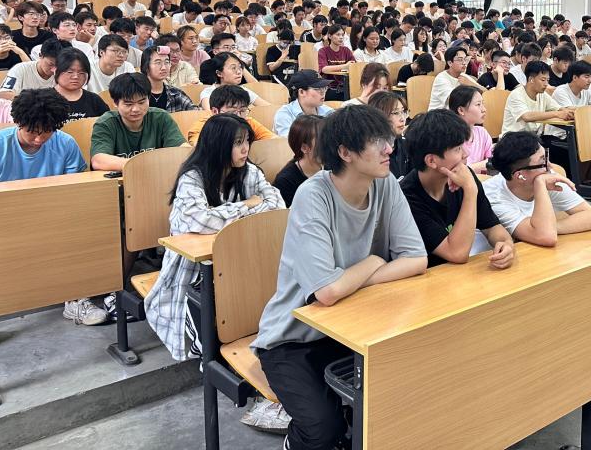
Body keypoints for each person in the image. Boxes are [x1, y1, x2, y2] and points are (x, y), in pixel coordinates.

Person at [252, 105, 427, 450]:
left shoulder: (386, 184)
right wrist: (375, 260)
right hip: (293, 339)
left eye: (388, 139)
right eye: (377, 142)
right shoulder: (313, 195)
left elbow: (416, 259)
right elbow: (327, 292)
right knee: (323, 428)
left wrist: (355, 279)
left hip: (356, 327)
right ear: (345, 152)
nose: (389, 148)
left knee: (407, 395)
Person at [0, 89, 104, 359]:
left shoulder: (65, 144)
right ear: (18, 122)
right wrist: (14, 211)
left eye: (46, 133)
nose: (38, 139)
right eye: (32, 132)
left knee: (86, 219)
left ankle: (76, 297)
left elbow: (76, 191)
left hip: (50, 214)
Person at [145, 113, 284, 361]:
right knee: (212, 296)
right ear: (218, 144)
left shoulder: (249, 171)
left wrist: (228, 215)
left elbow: (276, 204)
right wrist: (247, 206)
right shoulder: (192, 177)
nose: (245, 149)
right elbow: (200, 220)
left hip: (239, 255)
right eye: (237, 143)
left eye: (247, 141)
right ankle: (208, 349)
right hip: (192, 265)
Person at [400, 110, 514, 268]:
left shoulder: (463, 175)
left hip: (461, 274)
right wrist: (470, 191)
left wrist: (506, 244)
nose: (466, 154)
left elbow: (492, 226)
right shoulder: (406, 198)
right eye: (458, 149)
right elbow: (457, 253)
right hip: (429, 277)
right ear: (431, 161)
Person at [482, 131, 591, 246]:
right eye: (543, 161)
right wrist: (540, 185)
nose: (550, 166)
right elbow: (546, 236)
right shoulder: (493, 197)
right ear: (520, 176)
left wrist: (551, 227)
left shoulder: (545, 175)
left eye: (546, 157)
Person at [90, 73, 185, 171]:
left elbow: (182, 150)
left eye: (141, 102)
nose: (136, 109)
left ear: (149, 98)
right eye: (128, 104)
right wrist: (143, 165)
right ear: (115, 102)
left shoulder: (161, 117)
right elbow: (98, 161)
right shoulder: (106, 123)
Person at [501, 60, 574, 137]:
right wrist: (557, 114)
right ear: (531, 79)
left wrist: (568, 113)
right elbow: (526, 116)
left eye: (548, 80)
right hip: (513, 138)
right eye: (543, 80)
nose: (546, 84)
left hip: (533, 138)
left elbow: (559, 108)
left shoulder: (542, 95)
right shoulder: (516, 95)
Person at [186, 85, 274, 145]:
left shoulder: (248, 122)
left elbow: (274, 141)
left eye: (243, 110)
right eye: (232, 112)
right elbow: (199, 147)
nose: (238, 117)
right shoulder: (202, 126)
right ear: (215, 111)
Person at [273, 113, 324, 206]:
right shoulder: (285, 181)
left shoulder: (333, 167)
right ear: (304, 148)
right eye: (322, 140)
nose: (330, 145)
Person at [53, 48, 111, 122]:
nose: (75, 76)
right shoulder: (43, 100)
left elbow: (108, 124)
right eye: (70, 72)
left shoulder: (94, 100)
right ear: (56, 71)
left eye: (81, 72)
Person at [273, 70, 334, 137]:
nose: (323, 92)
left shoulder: (329, 112)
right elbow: (289, 141)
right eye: (317, 89)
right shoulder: (285, 114)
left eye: (324, 88)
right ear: (301, 92)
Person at [199, 52, 268, 110]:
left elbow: (267, 107)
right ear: (219, 73)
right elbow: (210, 114)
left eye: (240, 67)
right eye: (233, 68)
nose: (239, 72)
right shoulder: (208, 92)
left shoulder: (243, 90)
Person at [448, 85, 493, 172]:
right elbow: (455, 172)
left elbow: (494, 161)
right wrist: (484, 164)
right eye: (478, 104)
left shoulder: (482, 133)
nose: (484, 109)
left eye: (483, 104)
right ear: (461, 110)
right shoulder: (450, 137)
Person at [140, 45, 196, 113]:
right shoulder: (137, 94)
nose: (163, 68)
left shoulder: (175, 93)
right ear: (146, 67)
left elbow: (195, 112)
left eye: (166, 62)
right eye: (158, 63)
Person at [368, 90, 410, 178]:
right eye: (396, 113)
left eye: (403, 112)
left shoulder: (404, 143)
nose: (402, 119)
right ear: (380, 115)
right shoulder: (371, 151)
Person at [429, 45, 483, 110]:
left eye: (465, 59)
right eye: (460, 60)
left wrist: (472, 84)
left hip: (456, 114)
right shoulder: (441, 78)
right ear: (450, 63)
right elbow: (454, 101)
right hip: (438, 114)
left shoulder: (464, 76)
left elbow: (485, 92)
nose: (464, 63)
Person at [317, 24, 354, 101]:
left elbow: (353, 66)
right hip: (329, 88)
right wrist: (345, 66)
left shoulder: (346, 50)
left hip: (346, 87)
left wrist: (347, 66)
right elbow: (324, 69)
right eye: (338, 35)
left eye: (342, 35)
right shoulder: (323, 51)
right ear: (330, 36)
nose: (341, 37)